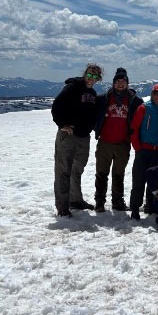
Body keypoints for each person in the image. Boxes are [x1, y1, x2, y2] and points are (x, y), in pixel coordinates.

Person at [51, 63, 101, 216]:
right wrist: (62, 124)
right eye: (90, 74)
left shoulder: (92, 93)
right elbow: (57, 106)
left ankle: (75, 200)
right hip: (69, 136)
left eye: (95, 76)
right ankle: (63, 207)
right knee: (63, 172)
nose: (91, 78)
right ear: (85, 73)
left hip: (83, 137)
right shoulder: (72, 87)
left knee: (77, 169)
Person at [93, 67, 144, 212]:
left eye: (123, 81)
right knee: (101, 174)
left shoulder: (135, 101)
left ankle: (117, 202)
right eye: (118, 81)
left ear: (127, 83)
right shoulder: (103, 98)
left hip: (123, 143)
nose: (120, 84)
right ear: (113, 83)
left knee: (118, 174)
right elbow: (92, 114)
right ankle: (100, 202)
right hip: (105, 142)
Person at [129, 83, 158, 220]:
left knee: (154, 180)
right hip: (144, 150)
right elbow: (134, 129)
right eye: (156, 93)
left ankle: (150, 204)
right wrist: (137, 147)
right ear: (152, 94)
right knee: (139, 180)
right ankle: (135, 208)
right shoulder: (144, 108)